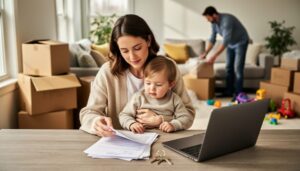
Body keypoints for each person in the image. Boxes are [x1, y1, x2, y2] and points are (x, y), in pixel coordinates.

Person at [79, 14, 195, 137]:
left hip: (164, 141)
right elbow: (88, 113)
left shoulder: (167, 67)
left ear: (148, 41)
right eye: (124, 51)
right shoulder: (107, 72)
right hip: (121, 144)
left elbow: (188, 113)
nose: (132, 57)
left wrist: (161, 120)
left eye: (137, 48)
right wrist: (96, 122)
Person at [119, 56, 194, 133]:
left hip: (166, 137)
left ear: (170, 85)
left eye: (158, 85)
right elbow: (124, 115)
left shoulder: (174, 99)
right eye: (148, 83)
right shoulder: (138, 97)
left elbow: (186, 118)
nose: (152, 88)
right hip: (142, 136)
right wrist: (132, 123)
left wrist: (173, 125)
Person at [200, 6, 249, 101]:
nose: (208, 20)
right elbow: (212, 39)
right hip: (231, 44)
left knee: (237, 68)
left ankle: (239, 94)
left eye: (208, 18)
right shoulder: (214, 23)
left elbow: (225, 41)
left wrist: (214, 56)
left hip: (241, 42)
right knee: (228, 67)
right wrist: (205, 53)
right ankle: (229, 91)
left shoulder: (227, 21)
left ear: (214, 15)